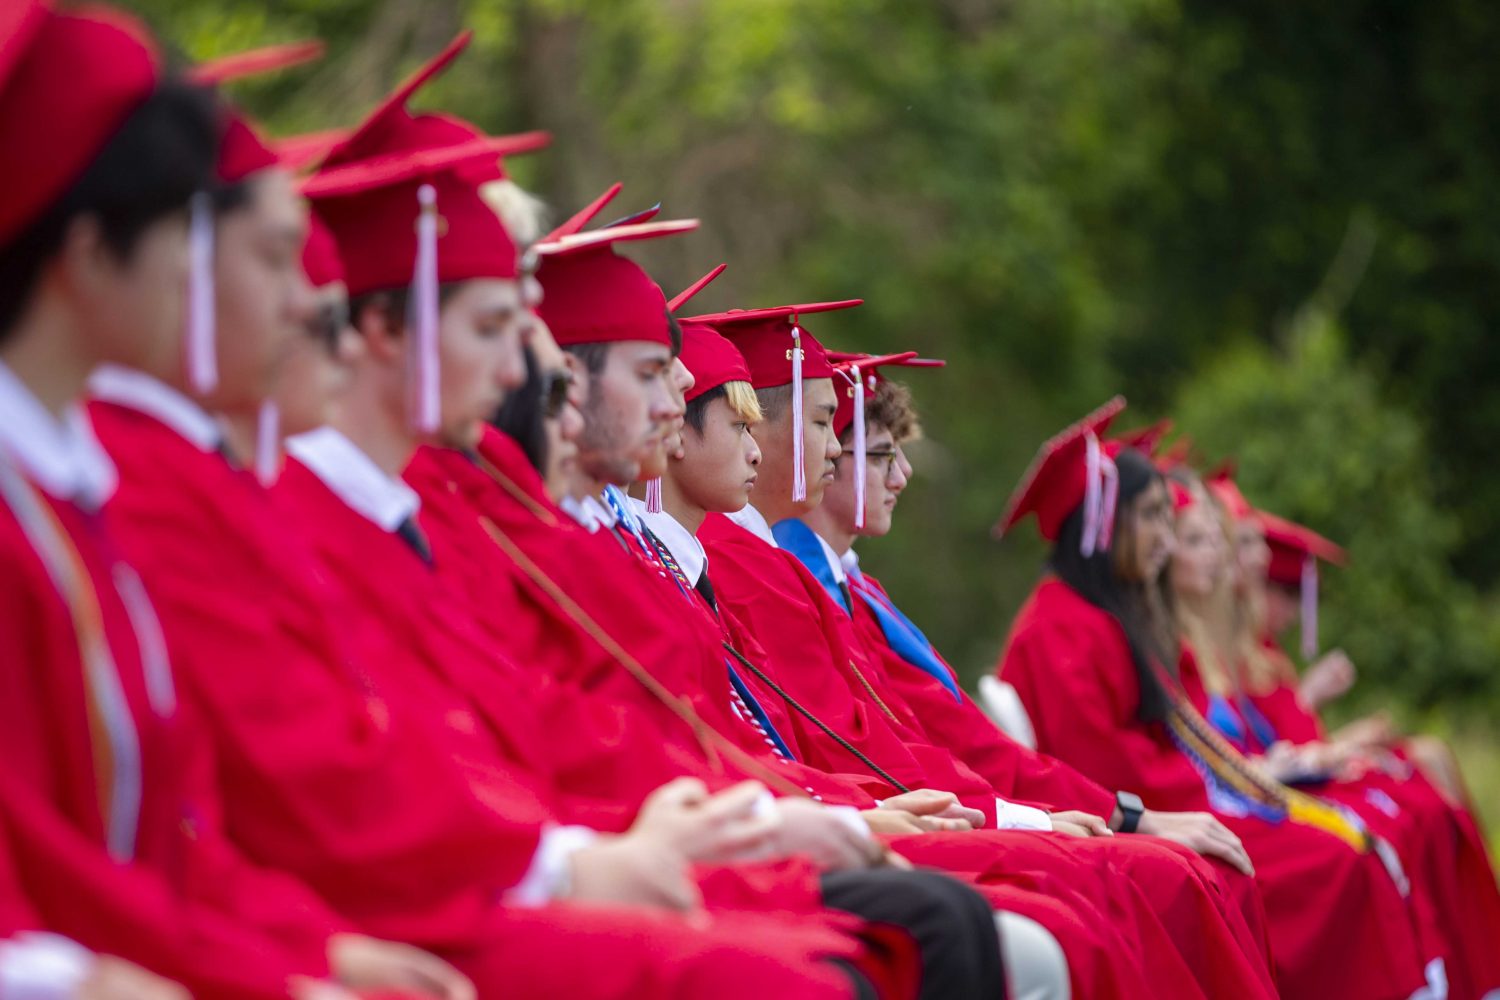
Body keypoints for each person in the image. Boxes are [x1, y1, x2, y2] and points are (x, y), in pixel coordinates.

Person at [783, 352, 1276, 996]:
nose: (901, 475)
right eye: (879, 455)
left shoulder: (858, 591)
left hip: (957, 805)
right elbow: (937, 752)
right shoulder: (1060, 624)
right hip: (913, 819)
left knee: (1209, 867)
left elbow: (947, 742)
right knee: (1161, 883)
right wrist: (1107, 816)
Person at [994, 399, 1442, 1000]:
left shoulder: (1103, 617)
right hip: (1130, 813)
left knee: (1347, 843)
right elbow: (1105, 763)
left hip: (1168, 796)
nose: (1164, 540)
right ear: (1105, 523)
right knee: (1334, 862)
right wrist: (1221, 794)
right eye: (1152, 519)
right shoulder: (1059, 626)